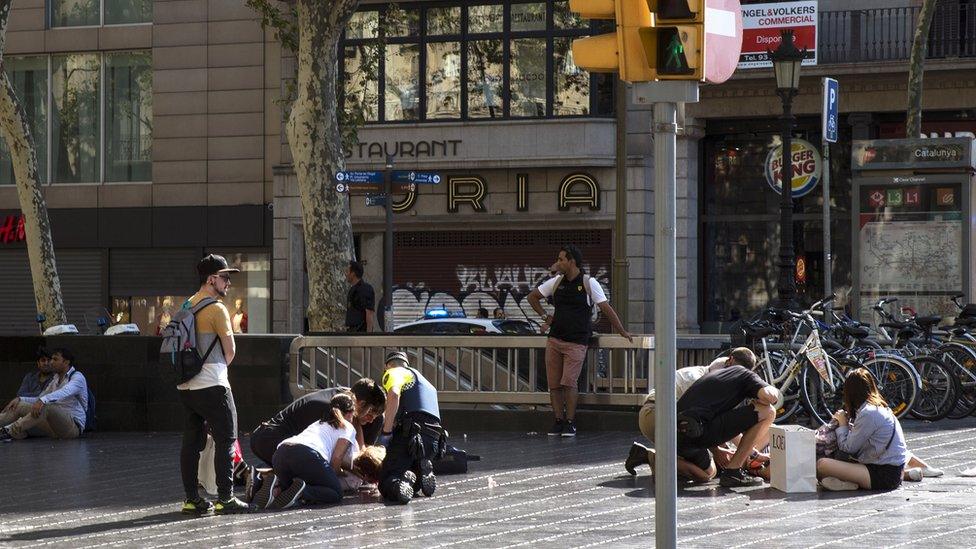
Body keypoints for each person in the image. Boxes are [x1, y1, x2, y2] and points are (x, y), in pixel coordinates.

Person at [527, 244, 632, 437]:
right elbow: (532, 297)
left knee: (569, 382)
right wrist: (545, 317)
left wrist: (621, 331)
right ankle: (558, 420)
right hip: (555, 339)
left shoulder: (588, 282)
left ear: (571, 261)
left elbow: (605, 308)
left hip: (576, 341)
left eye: (561, 259)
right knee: (554, 384)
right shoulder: (556, 282)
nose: (558, 262)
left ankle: (570, 422)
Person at [177, 254, 249, 516]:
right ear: (211, 279)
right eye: (225, 278)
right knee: (226, 439)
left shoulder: (186, 304)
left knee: (191, 442)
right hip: (214, 384)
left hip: (186, 386)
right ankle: (225, 498)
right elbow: (230, 351)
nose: (228, 283)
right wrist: (217, 369)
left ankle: (191, 499)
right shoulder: (217, 309)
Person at [625, 348, 758, 478]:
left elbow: (725, 424)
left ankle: (654, 457)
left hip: (658, 415)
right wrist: (716, 450)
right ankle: (651, 457)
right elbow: (694, 421)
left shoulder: (707, 376)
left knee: (709, 464)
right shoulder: (701, 381)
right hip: (658, 415)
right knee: (708, 473)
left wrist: (753, 454)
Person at [255, 393, 382, 509]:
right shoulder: (347, 426)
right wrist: (339, 473)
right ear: (350, 414)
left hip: (280, 454)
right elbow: (336, 459)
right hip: (306, 455)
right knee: (335, 493)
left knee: (293, 484)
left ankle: (274, 487)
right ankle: (303, 492)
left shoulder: (319, 422)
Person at [668, 363, 779, 487]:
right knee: (769, 411)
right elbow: (769, 396)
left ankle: (658, 459)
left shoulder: (717, 379)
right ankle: (733, 472)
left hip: (672, 436)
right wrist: (772, 393)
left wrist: (754, 454)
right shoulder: (747, 376)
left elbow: (727, 425)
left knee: (708, 472)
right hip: (695, 433)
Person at [248, 379, 386, 466]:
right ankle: (269, 481)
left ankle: (262, 476)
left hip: (286, 444)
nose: (371, 420)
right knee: (314, 470)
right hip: (269, 438)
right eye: (369, 414)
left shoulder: (368, 416)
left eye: (375, 416)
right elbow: (334, 458)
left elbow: (364, 455)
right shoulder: (332, 407)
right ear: (360, 404)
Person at [816, 368, 910, 491]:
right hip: (892, 469)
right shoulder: (880, 406)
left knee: (822, 465)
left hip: (883, 475)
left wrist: (842, 424)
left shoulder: (868, 413)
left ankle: (846, 484)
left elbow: (848, 448)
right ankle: (908, 473)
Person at [377, 351, 444, 504]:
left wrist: (386, 432)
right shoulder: (426, 383)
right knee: (409, 478)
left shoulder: (394, 372)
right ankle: (420, 472)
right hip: (434, 440)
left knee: (387, 480)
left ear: (387, 366)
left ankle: (398, 482)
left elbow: (393, 395)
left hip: (412, 434)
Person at [0, 348, 87, 441]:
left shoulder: (77, 377)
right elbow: (39, 398)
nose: (51, 362)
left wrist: (42, 401)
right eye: (52, 359)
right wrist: (20, 399)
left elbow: (65, 392)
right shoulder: (55, 379)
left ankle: (10, 431)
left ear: (66, 362)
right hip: (54, 428)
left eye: (55, 359)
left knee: (47, 406)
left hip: (72, 428)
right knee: (19, 405)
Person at [345, 260, 376, 332]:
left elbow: (369, 313)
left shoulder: (365, 289)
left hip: (360, 332)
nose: (346, 274)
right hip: (352, 332)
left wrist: (368, 337)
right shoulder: (353, 290)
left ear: (353, 274)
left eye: (347, 271)